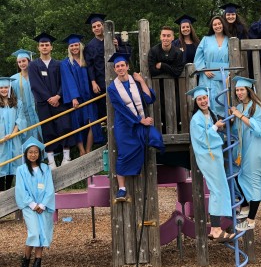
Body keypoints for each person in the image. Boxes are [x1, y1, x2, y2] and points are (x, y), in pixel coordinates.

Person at [107, 53, 164, 200]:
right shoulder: (112, 88)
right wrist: (140, 120)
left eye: (122, 65)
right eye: (117, 66)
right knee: (124, 153)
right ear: (114, 69)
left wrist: (142, 81)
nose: (120, 68)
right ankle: (122, 188)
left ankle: (159, 164)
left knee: (155, 137)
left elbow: (149, 99)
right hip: (125, 125)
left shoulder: (135, 81)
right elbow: (121, 109)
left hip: (140, 122)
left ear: (127, 67)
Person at [188, 86, 234, 242]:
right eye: (199, 99)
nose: (203, 101)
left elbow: (222, 125)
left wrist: (229, 118)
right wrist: (216, 127)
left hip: (215, 155)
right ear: (196, 102)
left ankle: (219, 227)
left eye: (204, 98)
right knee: (216, 189)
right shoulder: (196, 119)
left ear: (208, 98)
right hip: (208, 157)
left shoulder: (211, 114)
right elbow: (202, 138)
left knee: (221, 188)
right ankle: (215, 229)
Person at [230, 76, 261, 231]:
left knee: (253, 179)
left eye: (242, 89)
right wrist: (230, 121)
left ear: (249, 91)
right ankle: (244, 205)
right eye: (237, 90)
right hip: (246, 149)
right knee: (237, 175)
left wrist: (240, 116)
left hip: (258, 149)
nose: (239, 92)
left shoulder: (257, 107)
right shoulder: (240, 107)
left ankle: (250, 220)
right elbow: (237, 131)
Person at [28, 32, 76, 170]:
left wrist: (58, 96)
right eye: (42, 45)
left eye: (46, 45)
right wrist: (49, 98)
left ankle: (67, 157)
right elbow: (35, 85)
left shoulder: (59, 64)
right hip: (44, 104)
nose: (44, 47)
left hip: (60, 102)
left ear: (51, 47)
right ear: (38, 48)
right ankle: (51, 161)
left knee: (65, 127)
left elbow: (64, 82)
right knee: (48, 129)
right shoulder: (33, 66)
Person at [15, 136, 55, 267]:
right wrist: (33, 205)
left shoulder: (45, 168)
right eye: (30, 152)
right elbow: (20, 190)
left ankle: (37, 265)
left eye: (36, 152)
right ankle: (25, 261)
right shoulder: (21, 170)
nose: (33, 154)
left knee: (42, 233)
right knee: (34, 233)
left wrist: (43, 205)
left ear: (40, 153)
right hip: (29, 207)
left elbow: (49, 188)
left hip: (43, 207)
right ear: (26, 154)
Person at [60, 34, 104, 156]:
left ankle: (88, 149)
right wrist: (73, 97)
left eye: (76, 45)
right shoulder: (65, 63)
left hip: (89, 97)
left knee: (92, 121)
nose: (74, 47)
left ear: (80, 46)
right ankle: (81, 150)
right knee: (77, 124)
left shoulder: (86, 60)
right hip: (77, 99)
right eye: (72, 45)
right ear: (69, 48)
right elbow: (68, 81)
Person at [84, 13, 131, 120]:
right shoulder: (89, 46)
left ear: (103, 26)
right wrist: (93, 82)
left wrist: (118, 46)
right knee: (106, 110)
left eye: (98, 25)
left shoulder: (115, 38)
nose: (96, 28)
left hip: (119, 77)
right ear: (92, 29)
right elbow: (90, 66)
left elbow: (128, 53)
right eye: (94, 27)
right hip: (101, 81)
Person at [148, 26, 185, 133]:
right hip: (158, 87)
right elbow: (152, 71)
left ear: (173, 38)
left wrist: (162, 65)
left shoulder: (178, 52)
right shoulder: (154, 51)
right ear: (160, 37)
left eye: (168, 36)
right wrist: (170, 68)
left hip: (176, 87)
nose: (166, 38)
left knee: (177, 108)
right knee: (160, 109)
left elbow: (177, 73)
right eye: (164, 35)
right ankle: (161, 131)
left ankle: (178, 130)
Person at [194, 16, 230, 118]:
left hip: (224, 77)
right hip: (208, 77)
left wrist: (230, 73)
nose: (217, 26)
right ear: (212, 27)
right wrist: (204, 70)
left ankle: (224, 128)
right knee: (208, 100)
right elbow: (198, 58)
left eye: (219, 24)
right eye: (215, 24)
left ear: (223, 24)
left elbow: (233, 57)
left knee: (223, 100)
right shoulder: (206, 40)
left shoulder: (230, 40)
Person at [0, 77, 26, 191]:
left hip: (13, 138)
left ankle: (8, 190)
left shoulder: (17, 103)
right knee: (1, 163)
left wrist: (13, 134)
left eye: (6, 87)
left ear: (10, 88)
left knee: (13, 163)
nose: (4, 90)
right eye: (1, 88)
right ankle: (1, 192)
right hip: (1, 140)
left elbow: (20, 119)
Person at [11, 49, 43, 141]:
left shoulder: (37, 75)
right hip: (23, 115)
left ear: (29, 61)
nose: (21, 64)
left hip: (38, 112)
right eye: (19, 62)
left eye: (24, 61)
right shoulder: (13, 79)